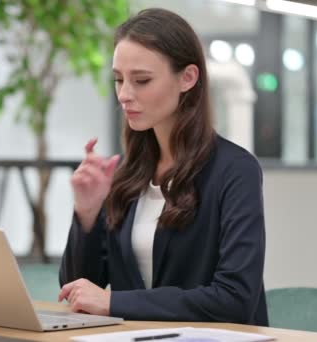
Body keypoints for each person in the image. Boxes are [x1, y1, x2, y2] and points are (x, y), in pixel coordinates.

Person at [58, 8, 268, 326]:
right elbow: (79, 291)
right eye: (118, 80)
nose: (124, 95)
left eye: (141, 80)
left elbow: (234, 299)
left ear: (188, 78)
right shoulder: (128, 174)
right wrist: (87, 215)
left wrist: (115, 302)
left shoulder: (236, 171)